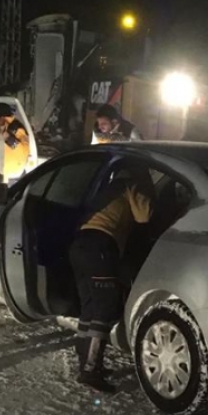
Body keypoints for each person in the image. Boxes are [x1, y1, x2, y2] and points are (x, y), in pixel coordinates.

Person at [69, 163, 154, 392]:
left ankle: (85, 362)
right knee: (104, 310)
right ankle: (90, 370)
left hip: (80, 244)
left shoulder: (107, 188)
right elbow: (145, 215)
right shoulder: (130, 185)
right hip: (100, 246)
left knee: (89, 308)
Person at [0, 102, 30, 183]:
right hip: (4, 175)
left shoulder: (16, 128)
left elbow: (24, 152)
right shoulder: (3, 127)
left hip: (13, 177)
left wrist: (9, 139)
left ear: (1, 118)